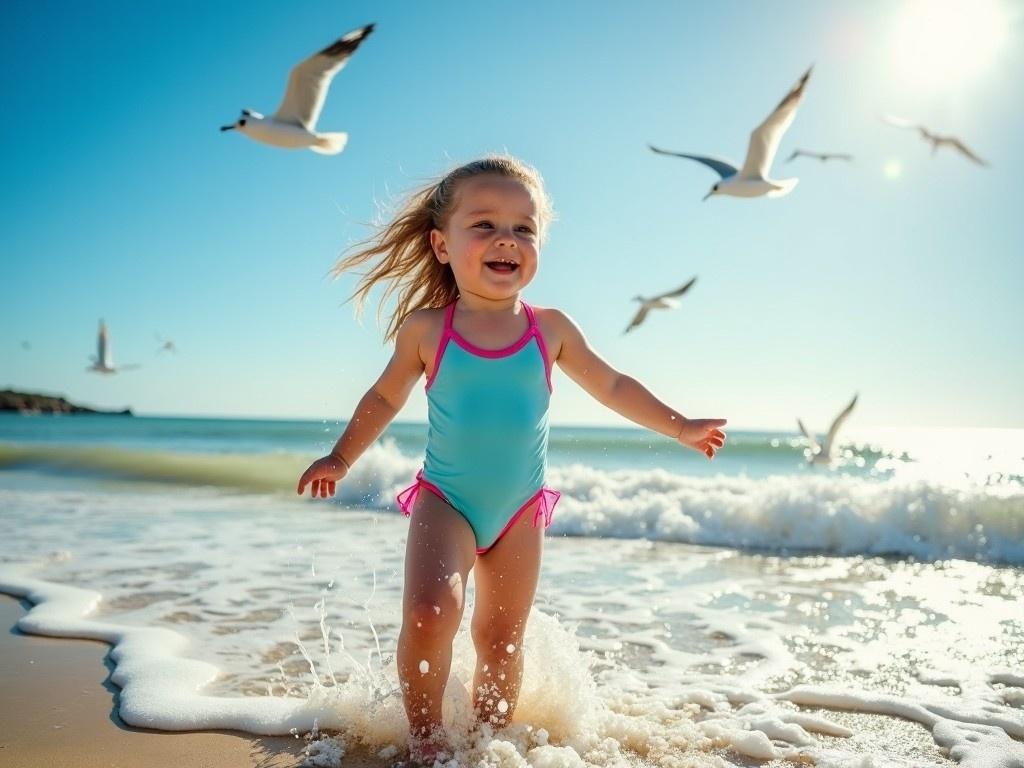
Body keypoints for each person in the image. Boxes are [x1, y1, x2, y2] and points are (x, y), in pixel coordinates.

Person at [297, 155, 726, 763]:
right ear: (441, 245)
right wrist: (341, 457)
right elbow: (386, 394)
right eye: (485, 224)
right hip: (447, 501)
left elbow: (612, 385)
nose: (507, 239)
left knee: (501, 640)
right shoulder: (427, 329)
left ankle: (487, 744)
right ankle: (427, 741)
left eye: (524, 228)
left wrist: (679, 426)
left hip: (520, 509)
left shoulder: (549, 329)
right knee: (428, 614)